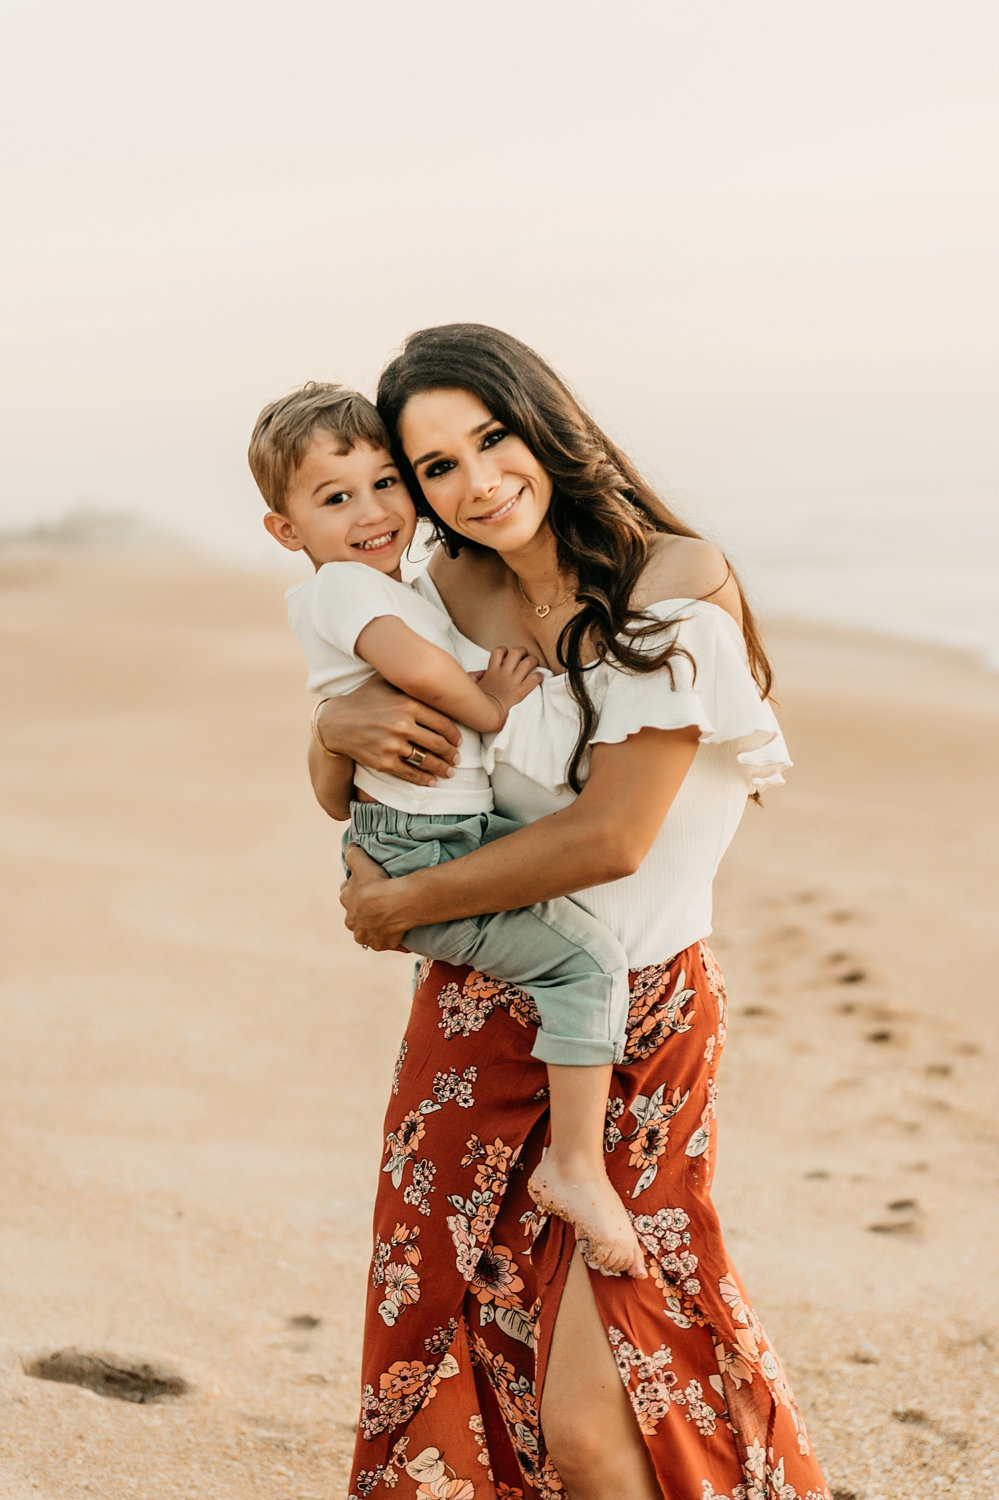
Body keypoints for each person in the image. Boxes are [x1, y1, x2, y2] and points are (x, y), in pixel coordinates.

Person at [310, 326, 831, 1500]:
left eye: (491, 438)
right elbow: (373, 768)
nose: (479, 482)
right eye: (437, 466)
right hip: (471, 1025)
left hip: (635, 1025)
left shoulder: (674, 580)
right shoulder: (439, 596)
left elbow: (612, 836)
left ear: (544, 420)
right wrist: (328, 734)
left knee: (604, 1422)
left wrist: (401, 905)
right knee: (463, 1371)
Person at [249, 382, 652, 1276]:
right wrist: (491, 700)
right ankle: (576, 1166)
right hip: (419, 844)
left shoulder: (401, 585)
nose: (372, 510)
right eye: (335, 497)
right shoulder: (347, 589)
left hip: (433, 831)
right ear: (287, 530)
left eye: (388, 481)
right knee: (584, 960)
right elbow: (423, 674)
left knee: (559, 904)